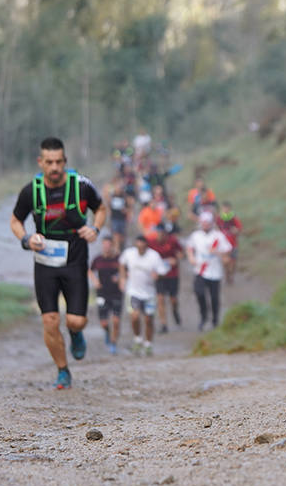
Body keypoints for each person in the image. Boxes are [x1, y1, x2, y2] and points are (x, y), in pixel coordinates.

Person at [10, 137, 106, 389]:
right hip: (44, 262)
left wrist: (95, 229)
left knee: (75, 320)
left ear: (65, 161)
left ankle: (75, 333)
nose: (54, 167)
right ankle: (63, 371)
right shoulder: (31, 191)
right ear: (40, 162)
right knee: (50, 320)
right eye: (49, 162)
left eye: (59, 162)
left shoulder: (82, 186)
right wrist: (26, 238)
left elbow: (101, 209)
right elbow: (15, 221)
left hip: (75, 259)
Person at [119, 234, 169, 356]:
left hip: (149, 293)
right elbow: (121, 263)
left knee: (148, 319)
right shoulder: (129, 253)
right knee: (135, 316)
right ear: (136, 245)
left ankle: (148, 344)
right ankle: (137, 339)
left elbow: (163, 270)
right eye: (138, 245)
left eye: (143, 245)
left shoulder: (154, 256)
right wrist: (122, 278)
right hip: (133, 291)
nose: (140, 248)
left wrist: (158, 276)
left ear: (146, 245)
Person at [185, 211, 231, 331]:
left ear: (211, 223)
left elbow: (227, 252)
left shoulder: (218, 236)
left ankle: (215, 319)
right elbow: (189, 247)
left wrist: (216, 252)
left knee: (214, 297)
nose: (205, 225)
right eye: (203, 222)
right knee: (199, 292)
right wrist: (191, 257)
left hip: (215, 272)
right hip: (200, 270)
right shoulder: (196, 235)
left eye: (207, 223)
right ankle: (203, 316)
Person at [89, 236, 123, 354]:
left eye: (109, 245)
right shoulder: (98, 259)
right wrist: (95, 281)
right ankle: (108, 333)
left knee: (116, 320)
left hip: (116, 293)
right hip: (102, 293)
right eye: (105, 245)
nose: (107, 248)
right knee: (104, 322)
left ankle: (114, 343)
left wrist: (119, 278)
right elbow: (89, 270)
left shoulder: (118, 259)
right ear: (102, 246)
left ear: (112, 246)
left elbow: (125, 271)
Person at [148, 221, 183, 332]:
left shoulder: (172, 241)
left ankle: (175, 311)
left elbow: (181, 253)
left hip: (172, 274)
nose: (160, 235)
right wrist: (152, 270)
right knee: (160, 299)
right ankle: (164, 324)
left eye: (162, 233)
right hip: (159, 276)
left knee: (173, 299)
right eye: (158, 232)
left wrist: (176, 260)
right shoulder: (151, 243)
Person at [217, 200, 243, 284]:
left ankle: (231, 275)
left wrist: (236, 230)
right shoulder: (219, 218)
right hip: (223, 244)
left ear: (229, 208)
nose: (225, 210)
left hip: (233, 243)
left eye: (226, 208)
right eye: (223, 208)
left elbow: (239, 229)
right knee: (225, 261)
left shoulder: (234, 218)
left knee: (233, 261)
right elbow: (216, 228)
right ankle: (227, 275)